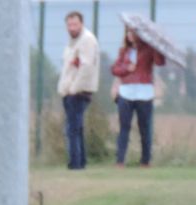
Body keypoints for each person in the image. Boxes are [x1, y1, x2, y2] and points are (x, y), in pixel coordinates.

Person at [111, 28, 166, 167]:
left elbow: (160, 62)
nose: (130, 35)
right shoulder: (124, 51)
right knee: (124, 127)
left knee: (145, 128)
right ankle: (120, 160)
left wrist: (157, 46)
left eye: (133, 32)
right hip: (126, 93)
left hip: (144, 93)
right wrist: (126, 69)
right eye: (128, 32)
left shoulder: (149, 49)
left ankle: (145, 160)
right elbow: (115, 69)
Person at [57, 11, 100, 171]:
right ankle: (80, 161)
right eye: (69, 25)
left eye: (75, 24)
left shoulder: (87, 40)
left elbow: (86, 66)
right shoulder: (72, 42)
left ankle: (75, 163)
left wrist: (74, 88)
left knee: (72, 129)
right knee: (76, 127)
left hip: (78, 91)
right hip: (69, 90)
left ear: (81, 24)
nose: (72, 28)